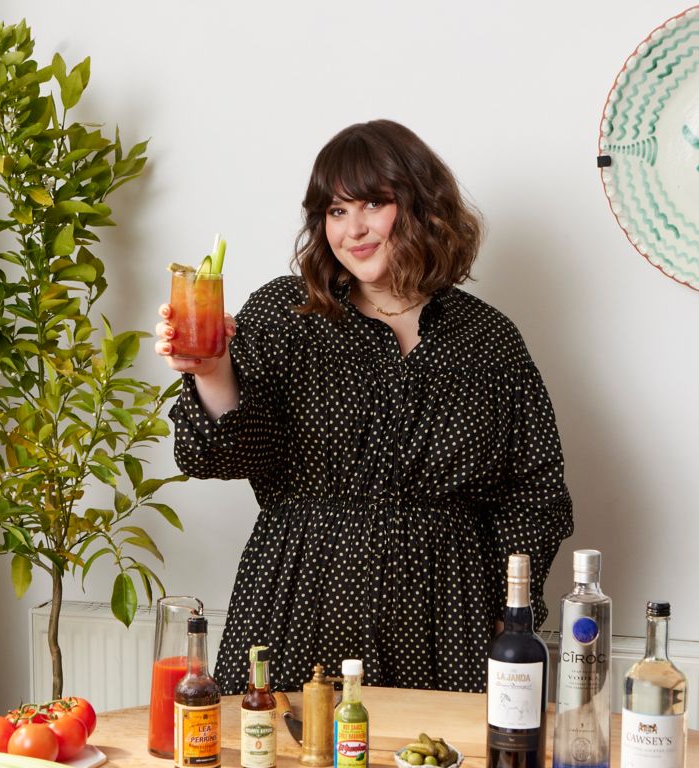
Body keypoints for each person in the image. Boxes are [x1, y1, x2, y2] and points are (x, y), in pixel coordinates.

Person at [157, 119, 572, 694]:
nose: (352, 229)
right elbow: (221, 453)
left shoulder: (487, 339)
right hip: (304, 594)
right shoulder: (286, 314)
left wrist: (513, 610)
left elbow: (534, 489)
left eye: (373, 203)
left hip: (445, 613)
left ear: (424, 205)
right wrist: (211, 370)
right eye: (335, 211)